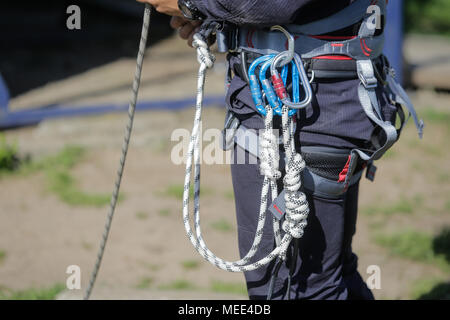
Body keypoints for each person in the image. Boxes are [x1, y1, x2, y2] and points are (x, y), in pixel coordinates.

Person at [137, 0, 422, 300]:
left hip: (307, 111)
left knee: (294, 287)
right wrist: (214, 14)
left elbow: (267, 4)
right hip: (321, 102)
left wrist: (191, 3)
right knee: (328, 276)